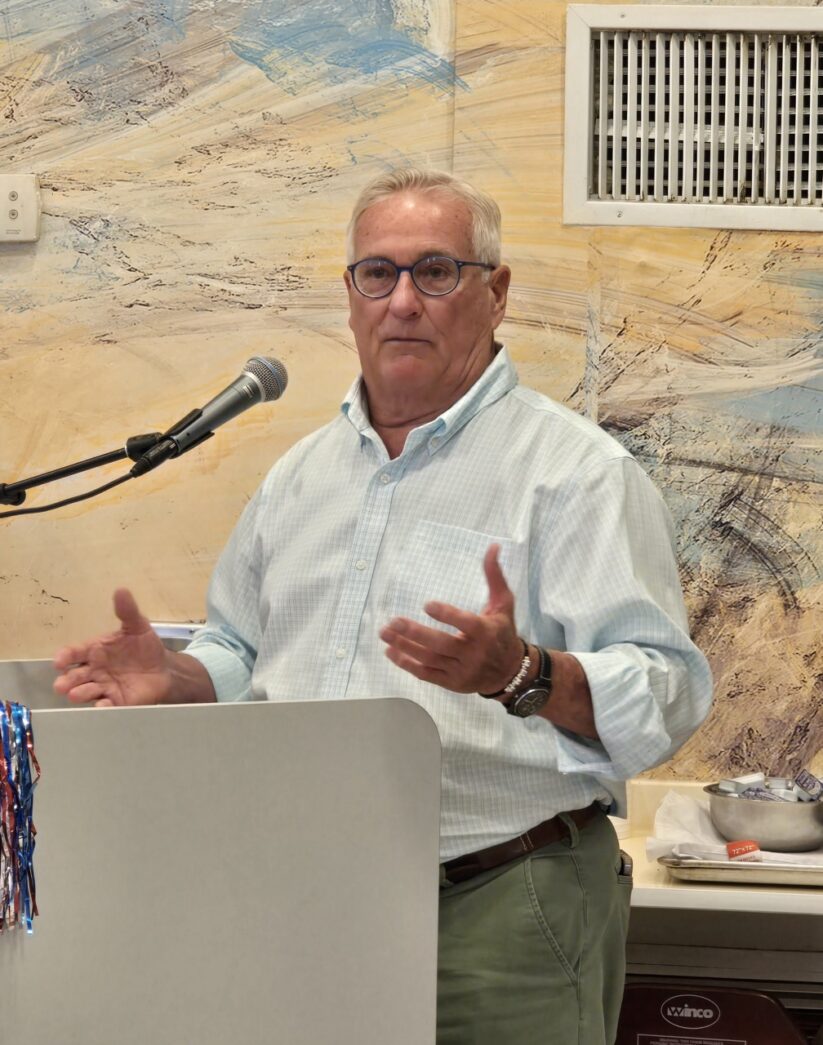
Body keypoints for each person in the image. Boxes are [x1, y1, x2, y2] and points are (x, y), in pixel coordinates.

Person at [54, 167, 713, 1044]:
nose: (402, 300)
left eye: (435, 271)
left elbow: (667, 690)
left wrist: (522, 671)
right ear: (351, 295)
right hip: (300, 902)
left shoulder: (576, 474)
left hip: (497, 905)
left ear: (496, 293)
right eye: (378, 273)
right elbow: (244, 647)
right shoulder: (301, 475)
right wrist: (184, 678)